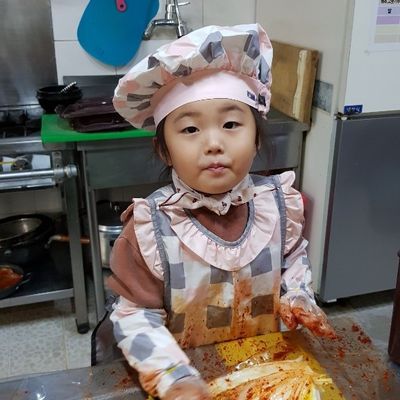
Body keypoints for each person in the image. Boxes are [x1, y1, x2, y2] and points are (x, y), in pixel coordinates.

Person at [108, 23, 336, 400]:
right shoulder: (151, 229)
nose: (214, 143)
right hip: (187, 380)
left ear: (256, 138)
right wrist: (173, 377)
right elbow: (135, 315)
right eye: (190, 129)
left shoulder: (279, 206)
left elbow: (293, 263)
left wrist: (298, 298)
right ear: (165, 150)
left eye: (231, 124)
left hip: (267, 372)